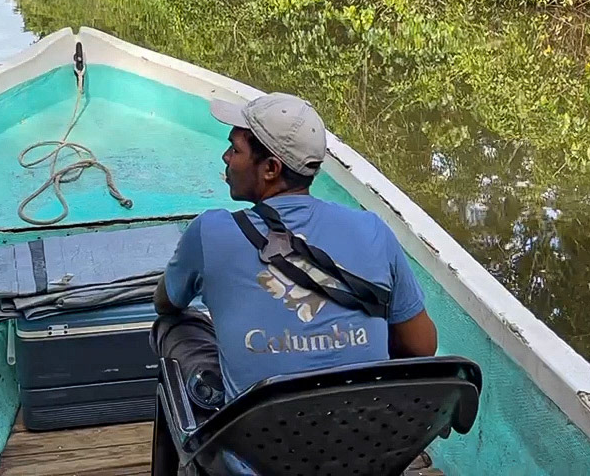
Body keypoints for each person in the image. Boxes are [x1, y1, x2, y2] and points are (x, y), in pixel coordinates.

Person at [152, 91, 439, 412]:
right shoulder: (372, 229)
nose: (226, 157)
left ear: (271, 169)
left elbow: (165, 303)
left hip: (252, 440)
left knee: (173, 325)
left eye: (235, 149)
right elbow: (421, 346)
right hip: (363, 436)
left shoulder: (209, 232)